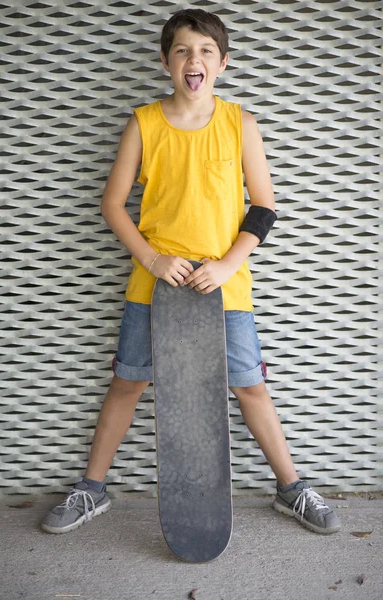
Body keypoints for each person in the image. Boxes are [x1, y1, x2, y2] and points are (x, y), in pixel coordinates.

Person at [41, 8, 340, 536]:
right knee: (128, 383)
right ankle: (91, 489)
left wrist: (227, 265)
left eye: (204, 51)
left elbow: (264, 208)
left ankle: (291, 488)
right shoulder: (143, 123)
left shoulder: (240, 123)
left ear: (222, 63)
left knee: (249, 387)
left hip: (223, 287)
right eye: (181, 50)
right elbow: (112, 205)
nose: (193, 59)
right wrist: (154, 259)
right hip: (154, 285)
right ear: (165, 61)